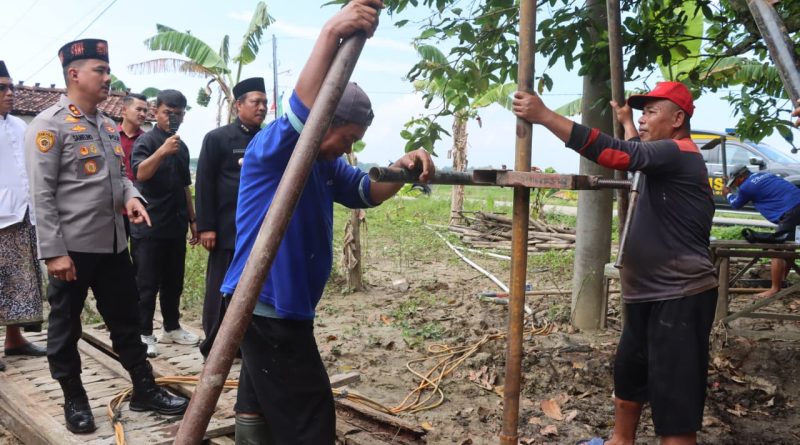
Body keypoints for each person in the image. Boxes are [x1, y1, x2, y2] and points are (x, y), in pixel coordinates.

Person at [220, 1, 434, 443]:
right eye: (347, 137)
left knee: (260, 398)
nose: (348, 146)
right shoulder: (276, 150)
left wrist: (402, 166)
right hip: (267, 305)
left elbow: (365, 193)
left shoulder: (323, 164)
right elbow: (302, 107)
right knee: (310, 418)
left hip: (281, 304)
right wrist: (332, 31)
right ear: (324, 122)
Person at [513, 81, 718, 445]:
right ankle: (619, 442)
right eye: (640, 113)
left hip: (680, 295)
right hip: (645, 293)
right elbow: (637, 151)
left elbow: (619, 154)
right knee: (629, 377)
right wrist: (626, 121)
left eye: (651, 112)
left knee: (675, 406)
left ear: (678, 119)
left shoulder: (679, 153)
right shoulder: (661, 156)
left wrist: (544, 116)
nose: (642, 119)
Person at [25, 39, 188, 434]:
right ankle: (74, 397)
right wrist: (54, 253)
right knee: (65, 327)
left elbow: (121, 178)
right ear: (74, 74)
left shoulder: (107, 125)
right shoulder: (49, 125)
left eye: (106, 69)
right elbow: (41, 195)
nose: (106, 77)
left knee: (126, 320)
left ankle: (144, 388)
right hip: (73, 251)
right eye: (99, 70)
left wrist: (131, 198)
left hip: (114, 245)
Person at [195, 77, 267, 358]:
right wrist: (207, 227)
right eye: (255, 102)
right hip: (226, 229)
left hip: (260, 229)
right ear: (239, 105)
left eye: (264, 102)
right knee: (221, 288)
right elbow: (204, 183)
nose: (261, 107)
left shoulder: (267, 137)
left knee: (255, 288)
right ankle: (214, 344)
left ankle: (244, 343)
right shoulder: (218, 139)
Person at [131, 89, 199, 357]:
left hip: (175, 224)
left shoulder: (182, 147)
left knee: (174, 281)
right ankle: (144, 333)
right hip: (149, 226)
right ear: (155, 112)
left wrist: (193, 219)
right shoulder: (146, 142)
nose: (174, 118)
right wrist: (161, 151)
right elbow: (140, 173)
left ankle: (171, 327)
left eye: (179, 114)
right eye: (168, 113)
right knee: (146, 284)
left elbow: (185, 186)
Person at [0, 60, 47, 373]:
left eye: (10, 87)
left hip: (22, 216)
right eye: (2, 88)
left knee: (21, 284)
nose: (10, 93)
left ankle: (14, 340)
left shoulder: (19, 124)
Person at [724, 164, 800, 297]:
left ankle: (775, 289)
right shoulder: (765, 175)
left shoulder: (746, 186)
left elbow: (735, 204)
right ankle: (782, 281)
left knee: (776, 249)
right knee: (789, 247)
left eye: (735, 182)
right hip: (797, 204)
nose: (736, 185)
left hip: (790, 211)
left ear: (741, 177)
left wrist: (728, 193)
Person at [118, 93, 148, 238]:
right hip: (114, 209)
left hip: (139, 206)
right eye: (139, 109)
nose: (143, 114)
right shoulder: (109, 136)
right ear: (124, 110)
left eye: (145, 111)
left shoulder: (147, 141)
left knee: (140, 254)